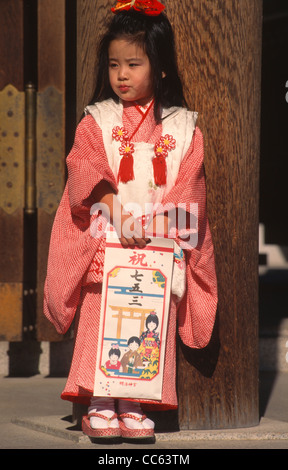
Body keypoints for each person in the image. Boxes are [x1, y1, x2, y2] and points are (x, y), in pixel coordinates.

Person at [43, 0, 218, 440]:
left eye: (134, 64)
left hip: (157, 245)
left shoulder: (183, 127)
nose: (121, 75)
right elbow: (85, 169)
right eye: (114, 64)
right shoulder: (96, 121)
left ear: (159, 68)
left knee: (147, 321)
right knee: (105, 314)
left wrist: (156, 227)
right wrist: (119, 212)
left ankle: (135, 402)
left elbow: (189, 192)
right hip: (109, 238)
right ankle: (100, 401)